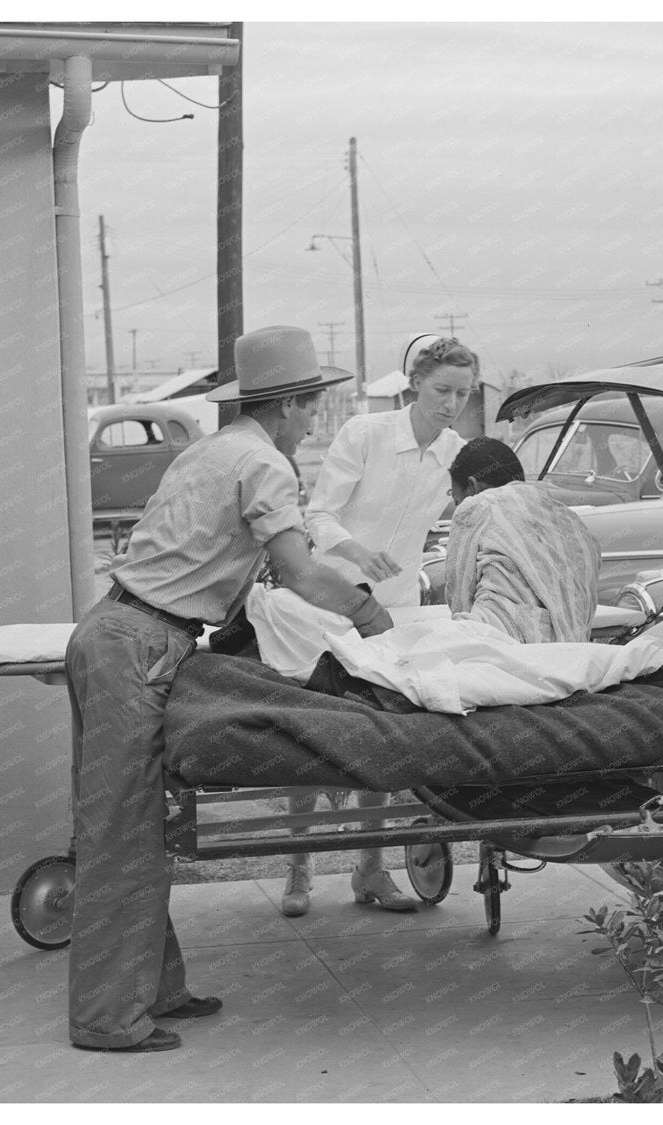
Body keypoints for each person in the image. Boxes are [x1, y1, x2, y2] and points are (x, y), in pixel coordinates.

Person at [64, 325, 394, 1054]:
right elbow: (302, 573)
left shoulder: (211, 451)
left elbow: (234, 566)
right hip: (140, 645)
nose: (314, 421)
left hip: (112, 632)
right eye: (312, 407)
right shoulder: (266, 463)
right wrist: (371, 614)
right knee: (122, 835)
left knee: (135, 827)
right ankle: (106, 1018)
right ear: (287, 406)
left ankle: (156, 989)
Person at [278, 334, 476, 918]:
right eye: (442, 390)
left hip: (393, 614)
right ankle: (298, 869)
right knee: (309, 735)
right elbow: (317, 516)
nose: (451, 403)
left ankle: (370, 870)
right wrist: (359, 554)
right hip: (329, 602)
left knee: (379, 738)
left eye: (463, 393)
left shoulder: (455, 452)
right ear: (414, 383)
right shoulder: (363, 434)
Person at [445, 436, 602, 643]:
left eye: (457, 499)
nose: (459, 506)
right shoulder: (573, 522)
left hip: (497, 646)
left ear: (473, 487)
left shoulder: (478, 505)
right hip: (571, 652)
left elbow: (460, 598)